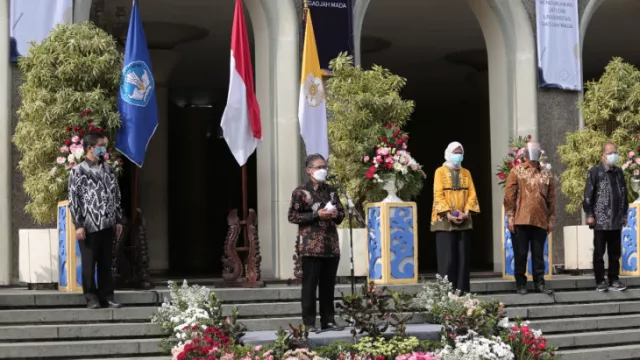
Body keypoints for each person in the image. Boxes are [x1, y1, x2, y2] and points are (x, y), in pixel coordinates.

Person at [288, 154, 345, 332]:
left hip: (330, 245)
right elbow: (293, 216)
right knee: (310, 287)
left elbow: (341, 214)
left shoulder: (332, 191)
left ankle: (328, 320)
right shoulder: (301, 192)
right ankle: (309, 323)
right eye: (320, 167)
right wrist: (316, 215)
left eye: (325, 167)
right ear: (309, 170)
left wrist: (337, 214)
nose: (324, 170)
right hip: (311, 246)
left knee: (328, 285)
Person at [68, 132, 123, 309]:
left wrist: (118, 219)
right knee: (89, 264)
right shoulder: (78, 171)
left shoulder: (108, 169)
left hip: (107, 223)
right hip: (89, 225)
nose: (104, 150)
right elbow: (74, 199)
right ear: (91, 148)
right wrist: (78, 224)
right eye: (101, 146)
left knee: (106, 264)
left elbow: (116, 195)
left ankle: (107, 297)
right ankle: (91, 298)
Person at [504, 140, 555, 295]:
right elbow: (509, 195)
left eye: (536, 150)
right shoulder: (516, 171)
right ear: (525, 153)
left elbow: (551, 198)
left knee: (538, 254)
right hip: (520, 219)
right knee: (520, 253)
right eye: (531, 150)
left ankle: (540, 283)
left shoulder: (546, 173)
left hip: (540, 219)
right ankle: (521, 284)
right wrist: (510, 216)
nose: (534, 152)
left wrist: (551, 219)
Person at [431, 142, 480, 295]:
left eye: (460, 152)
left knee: (463, 259)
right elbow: (438, 194)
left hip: (463, 220)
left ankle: (463, 293)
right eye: (455, 152)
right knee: (448, 260)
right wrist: (448, 214)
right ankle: (447, 294)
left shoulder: (466, 172)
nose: (458, 155)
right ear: (448, 153)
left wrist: (466, 212)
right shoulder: (439, 171)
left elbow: (472, 193)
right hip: (444, 222)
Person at [583, 142, 628, 292]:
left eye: (615, 152)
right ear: (603, 156)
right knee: (599, 252)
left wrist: (624, 214)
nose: (613, 155)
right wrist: (589, 214)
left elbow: (624, 194)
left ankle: (614, 279)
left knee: (615, 253)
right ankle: (600, 280)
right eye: (609, 153)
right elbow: (588, 195)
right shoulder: (595, 172)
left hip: (616, 220)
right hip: (600, 220)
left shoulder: (619, 172)